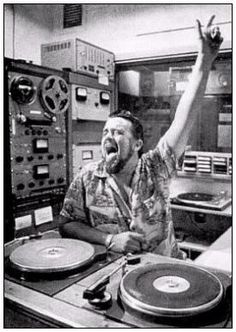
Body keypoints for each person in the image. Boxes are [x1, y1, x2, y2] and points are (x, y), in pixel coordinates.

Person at [59, 16, 223, 258]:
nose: (108, 136)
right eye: (105, 132)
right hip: (113, 272)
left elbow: (184, 118)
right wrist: (109, 239)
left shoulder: (156, 168)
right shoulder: (86, 178)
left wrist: (205, 59)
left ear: (137, 144)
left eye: (117, 132)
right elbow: (66, 224)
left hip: (163, 270)